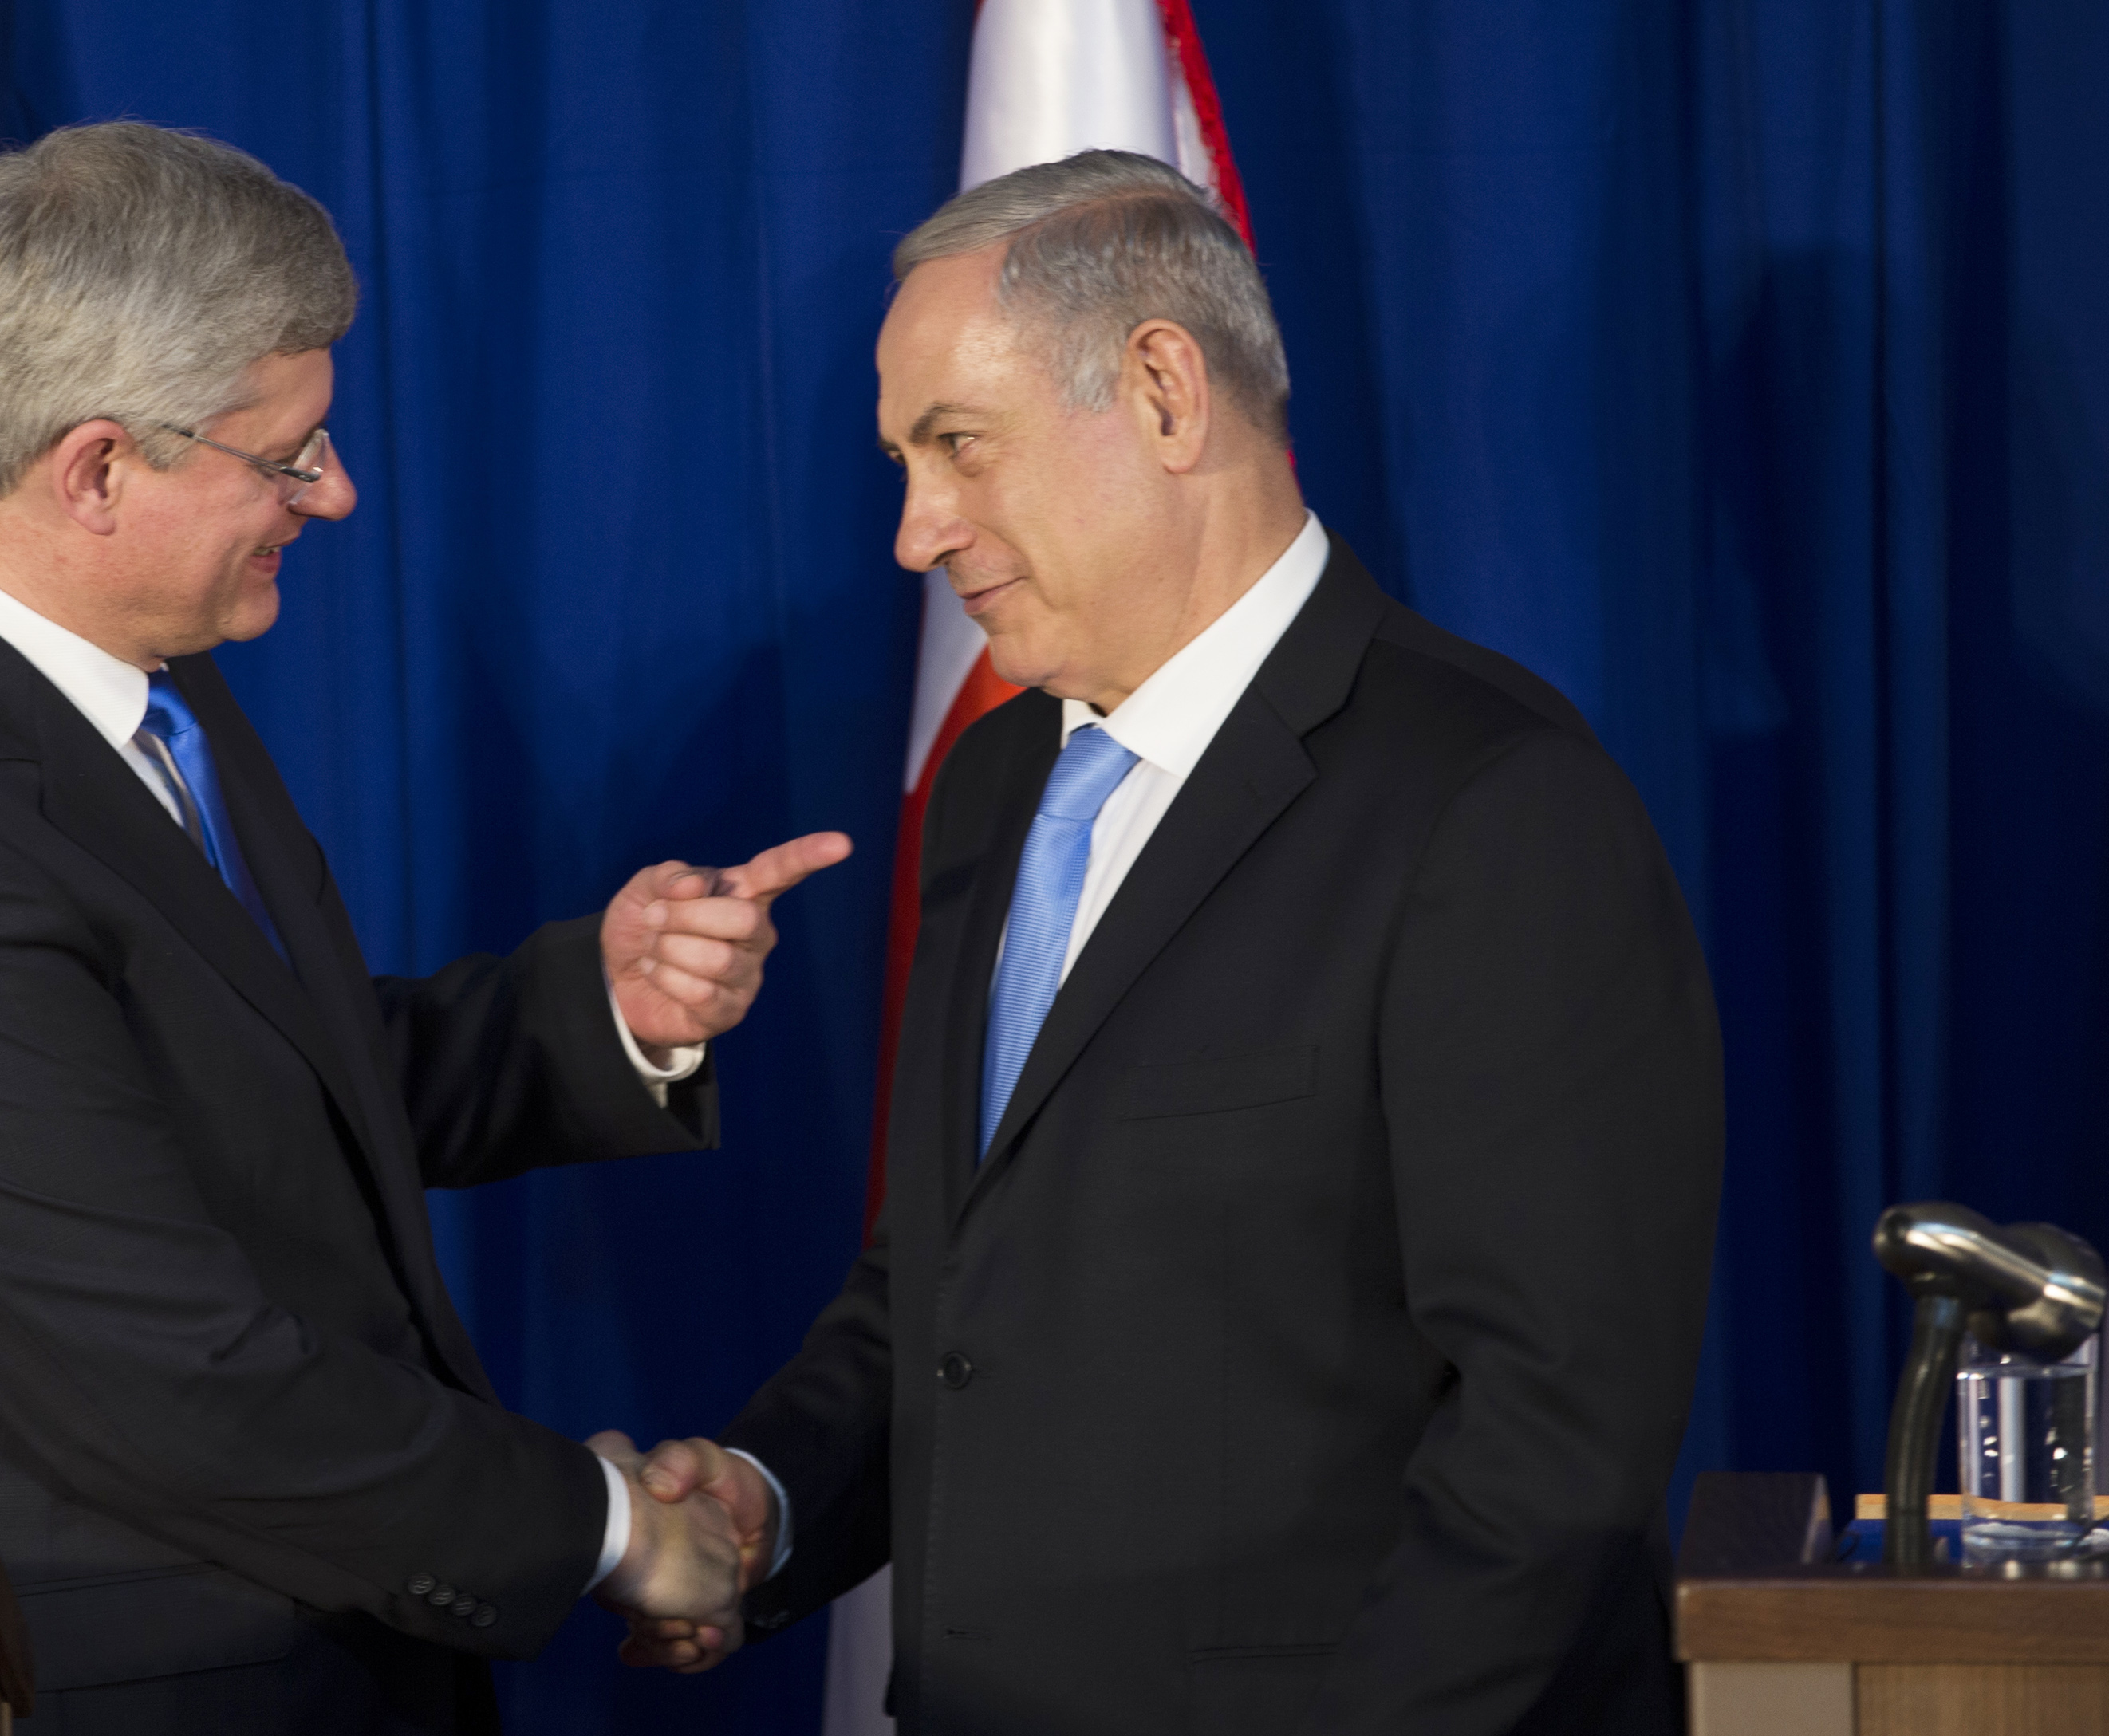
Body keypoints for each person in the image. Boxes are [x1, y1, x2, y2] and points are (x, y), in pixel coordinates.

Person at [0, 121, 847, 1734]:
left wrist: (601, 1013)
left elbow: (246, 1089)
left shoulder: (121, 677)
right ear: (95, 470)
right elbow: (173, 1380)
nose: (332, 494)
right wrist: (619, 1532)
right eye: (285, 457)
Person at [617, 151, 1725, 1734]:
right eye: (902, 462)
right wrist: (767, 1499)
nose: (915, 532)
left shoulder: (1491, 802)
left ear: (1161, 391)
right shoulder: (998, 783)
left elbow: (1553, 1437)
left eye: (957, 445)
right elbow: (952, 1282)